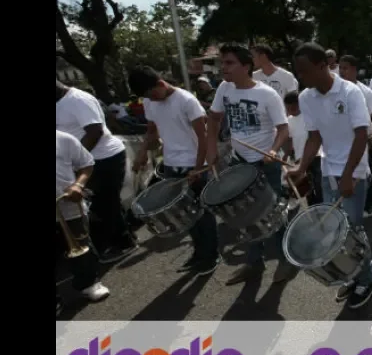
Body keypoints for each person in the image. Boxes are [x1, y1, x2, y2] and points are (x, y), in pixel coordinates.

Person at [289, 42, 372, 309]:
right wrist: (301, 168)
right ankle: (351, 276)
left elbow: (362, 134)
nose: (301, 77)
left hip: (355, 171)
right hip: (328, 171)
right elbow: (315, 137)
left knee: (353, 228)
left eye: (304, 71)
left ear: (322, 66)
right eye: (298, 72)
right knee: (336, 231)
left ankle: (366, 280)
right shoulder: (306, 97)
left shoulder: (350, 91)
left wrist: (349, 175)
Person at [206, 43, 290, 285]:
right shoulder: (224, 88)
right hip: (239, 162)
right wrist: (211, 149)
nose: (224, 68)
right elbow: (213, 119)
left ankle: (285, 259)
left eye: (229, 63)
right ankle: (254, 262)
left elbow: (283, 129)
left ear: (246, 66)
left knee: (272, 213)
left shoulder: (266, 94)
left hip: (265, 162)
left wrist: (273, 150)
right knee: (245, 215)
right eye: (223, 63)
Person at [128, 66, 221, 275]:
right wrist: (142, 152)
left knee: (201, 212)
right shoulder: (151, 101)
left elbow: (203, 137)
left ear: (161, 84)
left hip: (193, 163)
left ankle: (211, 255)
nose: (151, 99)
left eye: (152, 94)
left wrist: (198, 169)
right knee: (184, 213)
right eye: (147, 97)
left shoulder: (187, 101)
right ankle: (199, 253)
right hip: (171, 164)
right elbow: (152, 129)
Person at [56, 81, 137, 263]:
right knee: (104, 203)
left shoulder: (77, 99)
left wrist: (74, 160)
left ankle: (124, 243)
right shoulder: (59, 103)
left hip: (104, 158)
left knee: (105, 204)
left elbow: (95, 132)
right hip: (84, 160)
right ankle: (124, 238)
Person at [56, 130, 110, 313]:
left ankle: (89, 283)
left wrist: (78, 185)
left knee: (81, 247)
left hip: (68, 208)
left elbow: (86, 164)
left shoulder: (63, 138)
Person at [339, 55, 372, 217]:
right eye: (340, 68)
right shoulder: (337, 91)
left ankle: (370, 204)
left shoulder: (365, 91)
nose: (342, 72)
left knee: (366, 173)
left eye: (346, 68)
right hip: (344, 143)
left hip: (363, 141)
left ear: (355, 70)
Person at [283, 92, 323, 207]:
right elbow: (289, 140)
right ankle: (314, 208)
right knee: (307, 188)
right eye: (288, 108)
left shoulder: (309, 116)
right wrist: (286, 155)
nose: (291, 110)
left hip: (316, 156)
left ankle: (324, 205)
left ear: (300, 104)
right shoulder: (288, 121)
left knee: (318, 184)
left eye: (294, 107)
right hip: (299, 158)